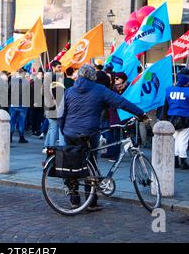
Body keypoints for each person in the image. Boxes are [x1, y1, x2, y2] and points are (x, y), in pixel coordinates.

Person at [59, 64, 145, 210]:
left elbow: (62, 113)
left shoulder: (70, 91)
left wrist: (64, 130)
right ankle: (91, 202)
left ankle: (74, 199)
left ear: (79, 75)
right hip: (88, 133)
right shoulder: (99, 89)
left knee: (72, 164)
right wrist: (140, 113)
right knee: (90, 163)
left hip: (70, 132)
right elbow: (121, 102)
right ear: (93, 77)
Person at [161, 73, 189, 170]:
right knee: (183, 141)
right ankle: (183, 161)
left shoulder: (169, 90)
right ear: (186, 83)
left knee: (174, 140)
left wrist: (164, 118)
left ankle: (175, 161)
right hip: (186, 119)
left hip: (171, 118)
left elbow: (165, 106)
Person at [103, 72, 130, 162]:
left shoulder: (129, 89)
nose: (117, 84)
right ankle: (115, 154)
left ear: (124, 81)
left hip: (125, 115)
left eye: (119, 82)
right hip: (114, 116)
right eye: (116, 81)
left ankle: (133, 150)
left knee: (129, 134)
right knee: (115, 136)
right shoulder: (114, 88)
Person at [43, 61, 66, 152]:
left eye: (60, 67)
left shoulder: (55, 77)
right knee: (54, 128)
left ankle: (48, 147)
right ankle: (51, 148)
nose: (60, 69)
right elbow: (50, 93)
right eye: (58, 67)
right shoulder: (52, 78)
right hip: (53, 106)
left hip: (53, 106)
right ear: (53, 67)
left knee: (53, 128)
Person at [10, 68, 30, 143]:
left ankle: (10, 136)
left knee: (12, 120)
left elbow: (8, 91)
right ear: (22, 73)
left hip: (13, 103)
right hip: (23, 104)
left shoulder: (12, 81)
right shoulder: (26, 82)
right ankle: (21, 137)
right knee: (22, 121)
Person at [30, 70, 44, 136]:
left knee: (39, 117)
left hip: (41, 102)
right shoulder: (34, 83)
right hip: (34, 102)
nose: (41, 76)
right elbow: (32, 93)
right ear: (37, 75)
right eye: (40, 74)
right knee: (34, 117)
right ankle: (34, 130)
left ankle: (38, 129)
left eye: (42, 74)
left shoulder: (43, 82)